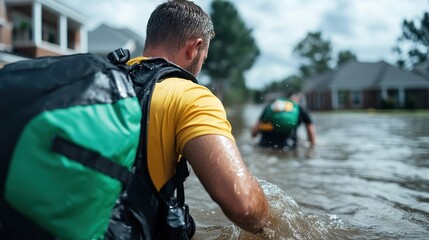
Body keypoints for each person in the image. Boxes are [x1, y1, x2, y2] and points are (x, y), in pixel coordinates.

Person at [108, 0, 271, 239]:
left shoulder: (105, 83)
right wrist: (272, 218)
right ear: (194, 48)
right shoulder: (190, 96)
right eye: (203, 58)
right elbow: (244, 205)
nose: (201, 64)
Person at [251, 92, 317, 150]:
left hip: (265, 145)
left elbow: (254, 132)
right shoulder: (300, 109)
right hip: (288, 146)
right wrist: (312, 148)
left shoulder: (271, 107)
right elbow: (311, 134)